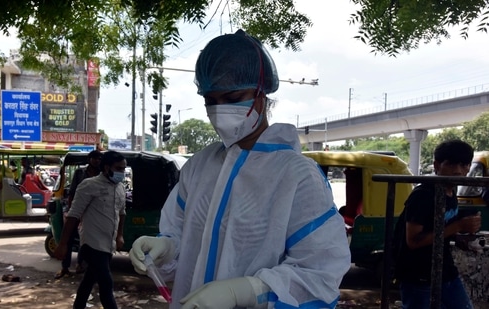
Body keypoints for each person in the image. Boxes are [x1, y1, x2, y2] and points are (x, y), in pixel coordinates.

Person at [129, 30, 351, 309]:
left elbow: (319, 272)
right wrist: (167, 249)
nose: (220, 110)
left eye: (233, 97)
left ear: (261, 95)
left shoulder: (296, 176)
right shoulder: (200, 166)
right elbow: (183, 238)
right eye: (211, 100)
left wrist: (248, 291)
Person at [394, 140, 481, 308]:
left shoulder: (450, 190)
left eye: (463, 165)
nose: (457, 170)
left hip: (444, 270)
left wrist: (461, 238)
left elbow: (440, 229)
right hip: (418, 275)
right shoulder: (424, 195)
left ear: (468, 168)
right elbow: (413, 241)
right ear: (436, 165)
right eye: (450, 164)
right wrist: (458, 226)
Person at [53, 150, 126, 309]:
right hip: (92, 243)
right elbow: (73, 215)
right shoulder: (89, 185)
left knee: (89, 279)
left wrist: (120, 235)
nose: (122, 173)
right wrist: (63, 244)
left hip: (109, 243)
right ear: (107, 167)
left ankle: (78, 306)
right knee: (106, 283)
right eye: (119, 168)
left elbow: (122, 213)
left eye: (124, 169)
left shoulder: (120, 188)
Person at [54, 149, 102, 279]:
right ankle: (65, 267)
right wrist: (72, 210)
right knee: (69, 237)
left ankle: (81, 264)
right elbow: (73, 192)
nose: (97, 161)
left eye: (99, 158)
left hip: (92, 212)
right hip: (77, 209)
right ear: (90, 160)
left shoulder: (102, 174)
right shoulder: (80, 173)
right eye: (95, 158)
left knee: (86, 240)